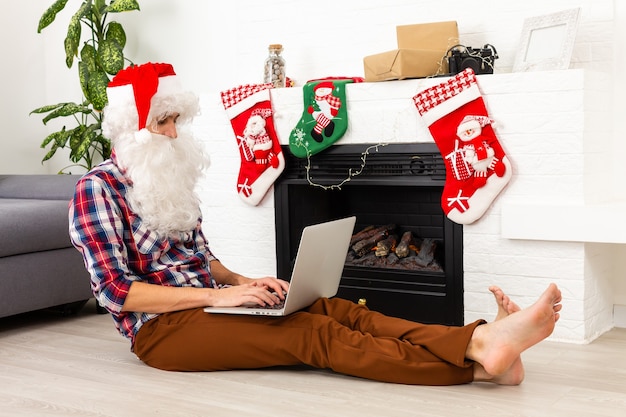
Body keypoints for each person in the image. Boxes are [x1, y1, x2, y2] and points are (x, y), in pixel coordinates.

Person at [69, 62, 563, 386]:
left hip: (209, 305)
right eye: (163, 123)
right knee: (312, 336)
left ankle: (476, 342)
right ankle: (477, 365)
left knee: (336, 309)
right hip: (163, 332)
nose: (174, 133)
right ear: (131, 127)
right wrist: (220, 298)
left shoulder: (166, 178)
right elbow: (117, 292)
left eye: (177, 120)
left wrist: (244, 283)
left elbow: (201, 259)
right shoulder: (97, 189)